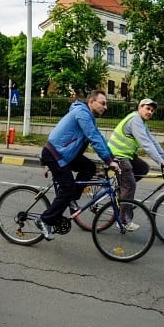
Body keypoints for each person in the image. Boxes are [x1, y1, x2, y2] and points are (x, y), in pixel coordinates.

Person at [37, 89, 120, 240]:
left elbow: (99, 138)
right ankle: (45, 220)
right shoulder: (82, 114)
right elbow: (93, 137)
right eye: (103, 103)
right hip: (55, 154)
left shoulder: (89, 117)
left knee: (89, 167)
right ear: (91, 102)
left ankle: (71, 199)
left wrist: (112, 157)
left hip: (66, 154)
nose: (105, 107)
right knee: (67, 188)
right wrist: (108, 161)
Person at [107, 98, 164, 229]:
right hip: (117, 154)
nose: (150, 112)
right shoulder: (135, 120)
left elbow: (152, 141)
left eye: (152, 110)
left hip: (126, 155)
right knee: (130, 185)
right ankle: (123, 221)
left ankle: (122, 188)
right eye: (147, 108)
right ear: (140, 108)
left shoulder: (142, 123)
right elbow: (146, 144)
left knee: (143, 168)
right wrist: (160, 161)